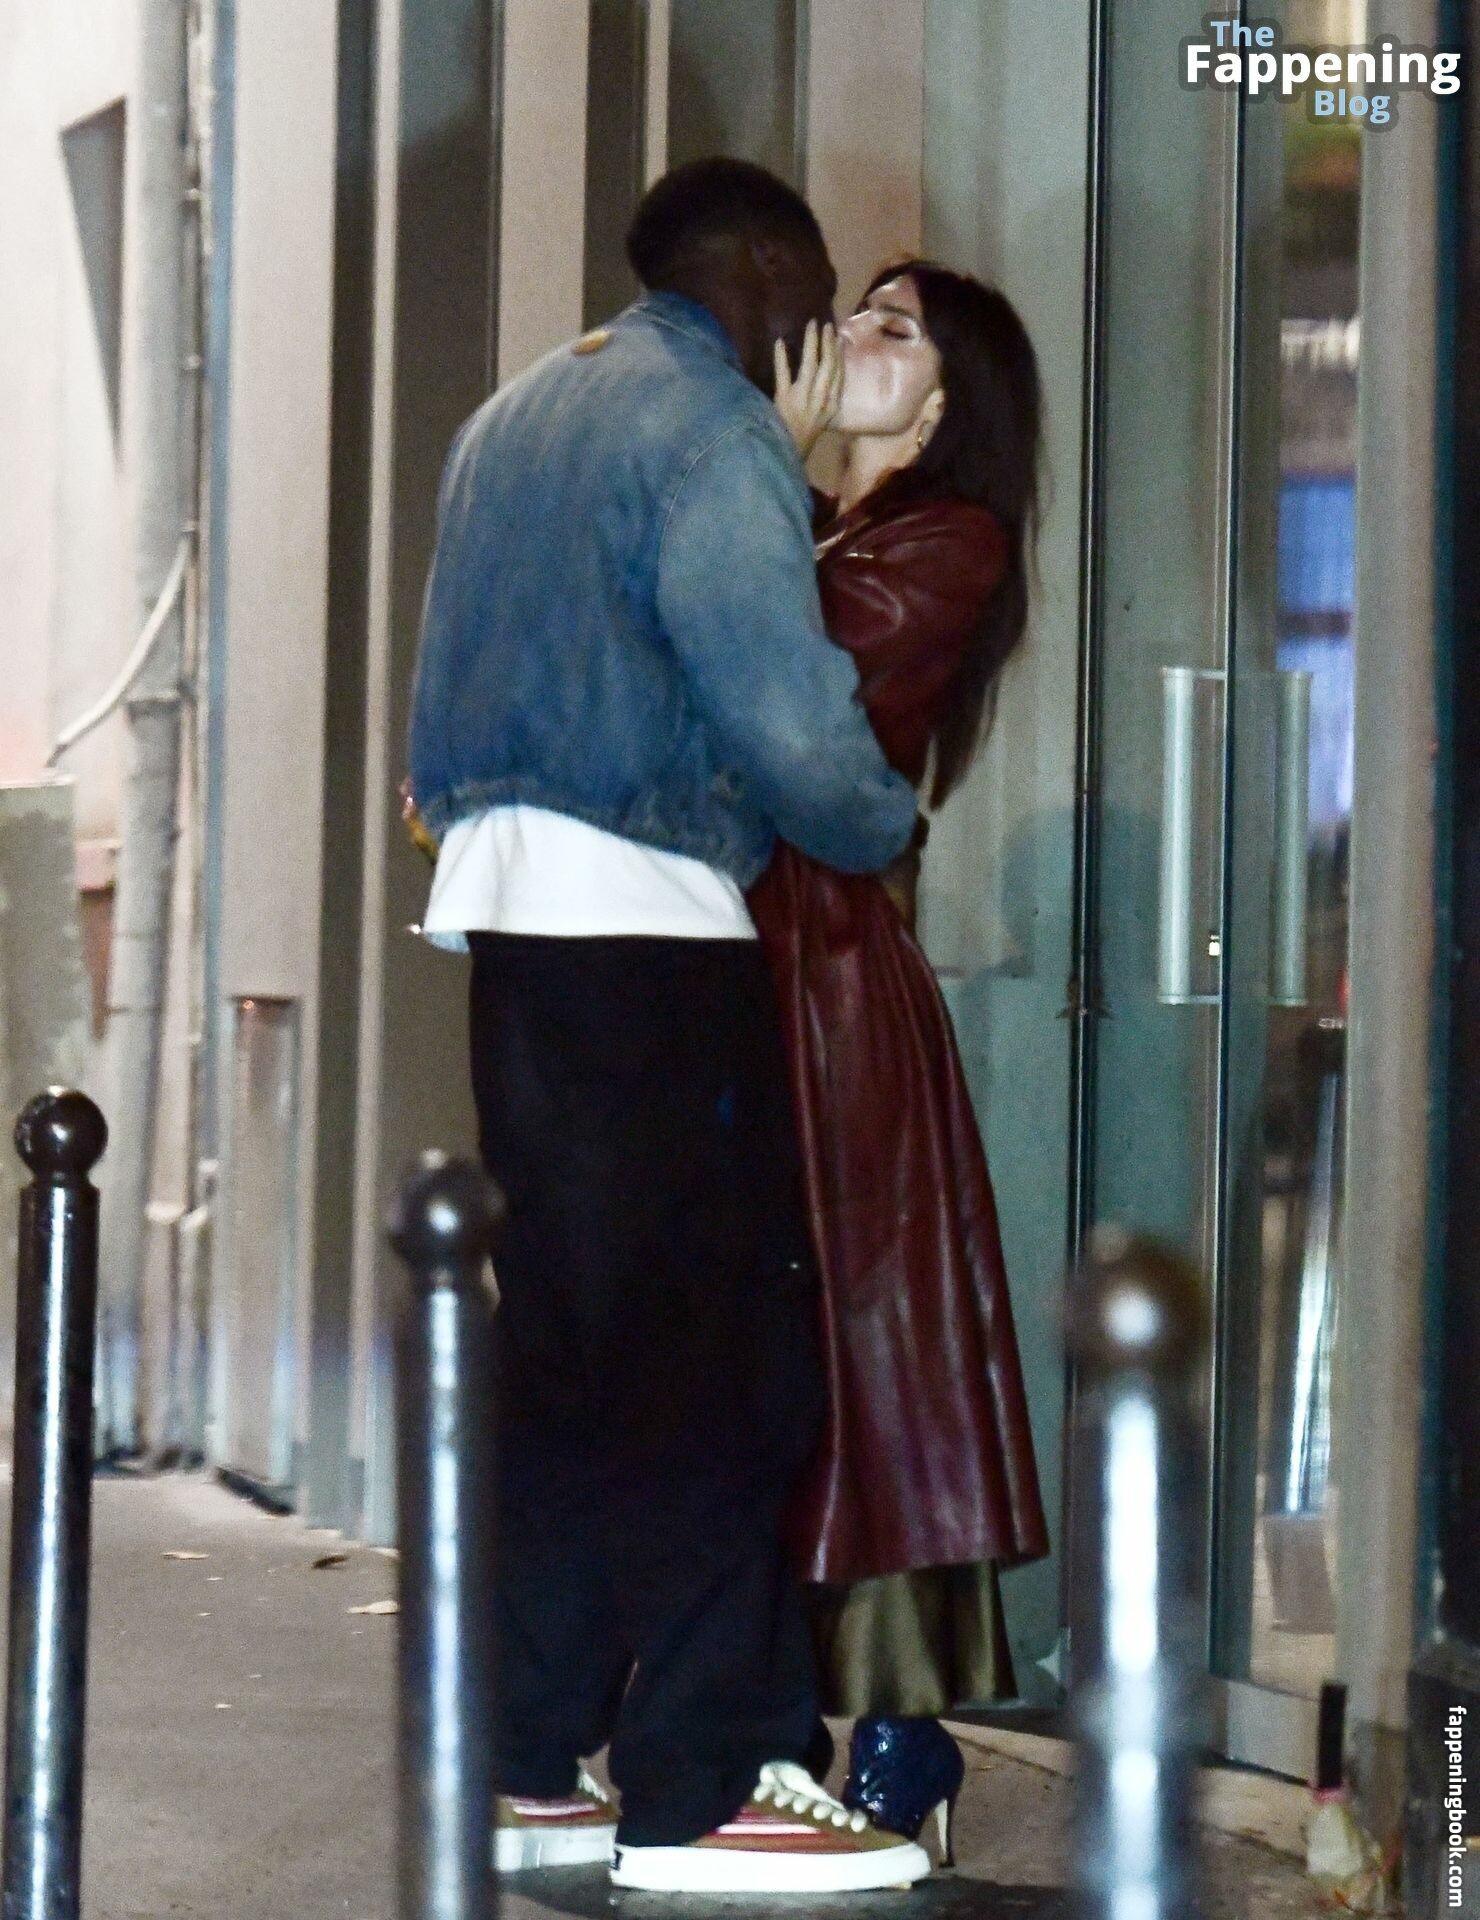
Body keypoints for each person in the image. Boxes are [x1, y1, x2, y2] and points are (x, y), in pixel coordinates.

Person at [405, 159, 935, 1896]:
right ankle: (706, 1782)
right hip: (653, 932)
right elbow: (790, 721)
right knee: (722, 1365)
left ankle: (523, 1755)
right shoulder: (714, 433)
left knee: (569, 1364)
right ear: (769, 277)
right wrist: (884, 827)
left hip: (511, 932)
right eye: (820, 296)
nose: (821, 331)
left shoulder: (510, 419)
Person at [750, 260, 1052, 1856]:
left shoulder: (948, 540)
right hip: (761, 972)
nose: (855, 336)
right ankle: (780, 1716)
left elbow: (786, 690)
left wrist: (769, 462)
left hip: (837, 993)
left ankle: (898, 1726)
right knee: (785, 1353)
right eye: (855, 307)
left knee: (871, 1357)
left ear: (945, 400)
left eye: (896, 326)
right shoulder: (822, 526)